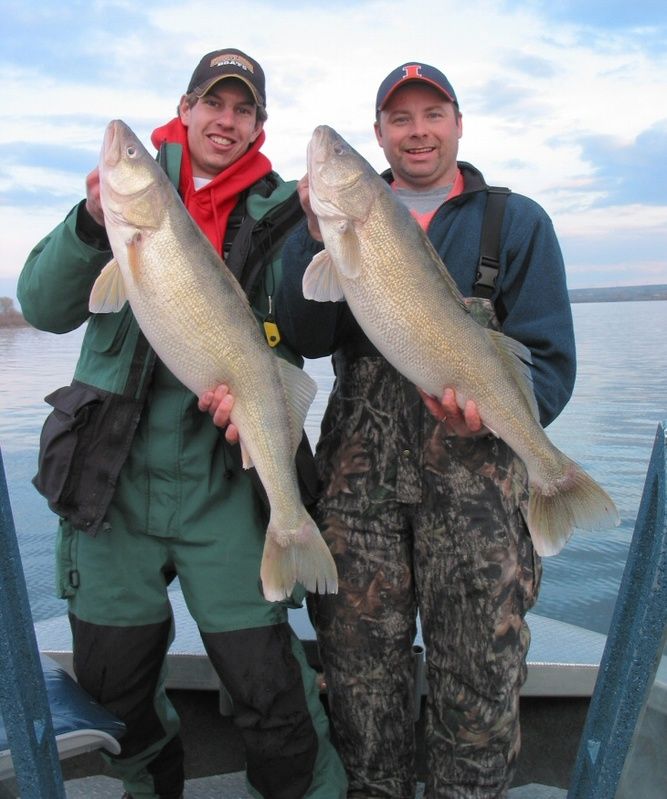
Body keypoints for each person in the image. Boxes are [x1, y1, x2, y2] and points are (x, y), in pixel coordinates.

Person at [17, 48, 346, 799]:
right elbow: (41, 305)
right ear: (186, 106)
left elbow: (301, 328)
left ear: (259, 124)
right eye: (213, 103)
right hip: (113, 483)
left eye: (243, 110)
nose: (225, 122)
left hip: (223, 483)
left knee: (269, 689)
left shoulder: (287, 208)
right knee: (112, 683)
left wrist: (264, 368)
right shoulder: (129, 200)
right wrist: (92, 222)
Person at [272, 62, 577, 798]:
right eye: (398, 119)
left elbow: (549, 361)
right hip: (359, 499)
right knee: (357, 682)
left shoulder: (514, 220)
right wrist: (314, 236)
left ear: (458, 123)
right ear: (379, 133)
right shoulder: (325, 222)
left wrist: (499, 415)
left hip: (479, 499)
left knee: (476, 685)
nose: (416, 131)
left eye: (431, 114)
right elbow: (306, 334)